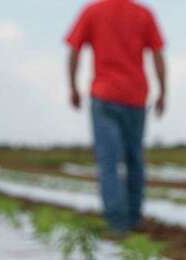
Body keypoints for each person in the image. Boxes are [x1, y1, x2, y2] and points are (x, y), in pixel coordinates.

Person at [65, 0, 167, 233]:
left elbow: (74, 51)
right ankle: (134, 218)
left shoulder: (93, 11)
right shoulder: (143, 14)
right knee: (134, 159)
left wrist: (72, 87)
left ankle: (117, 223)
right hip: (136, 96)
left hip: (105, 96)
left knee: (108, 161)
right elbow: (158, 56)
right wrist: (163, 92)